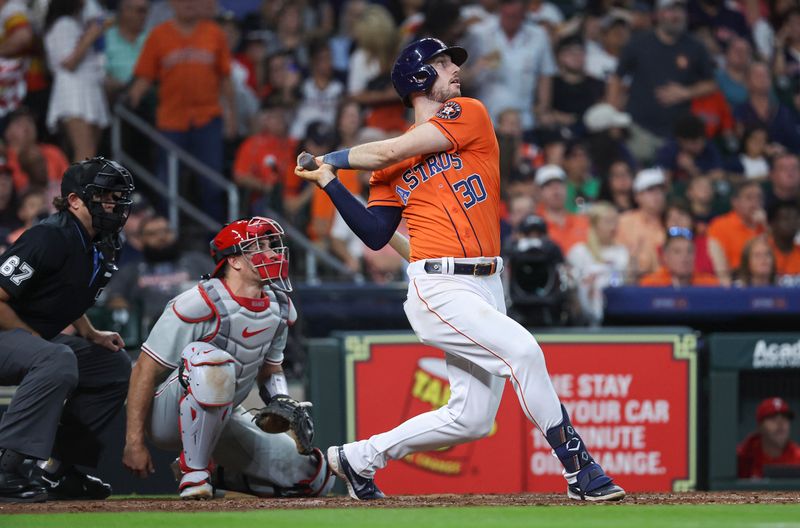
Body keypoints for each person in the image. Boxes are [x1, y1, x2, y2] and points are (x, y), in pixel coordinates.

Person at [295, 37, 625, 502]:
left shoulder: (468, 112)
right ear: (416, 78)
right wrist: (331, 185)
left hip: (489, 281)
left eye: (451, 62)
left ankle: (356, 458)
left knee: (470, 418)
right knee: (524, 352)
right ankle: (579, 468)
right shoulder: (386, 166)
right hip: (440, 283)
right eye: (441, 62)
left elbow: (392, 151)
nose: (453, 69)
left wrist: (329, 159)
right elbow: (373, 232)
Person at [122, 216, 334, 499]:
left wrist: (281, 399)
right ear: (234, 260)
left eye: (272, 245)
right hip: (166, 418)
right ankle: (194, 472)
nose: (272, 253)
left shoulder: (280, 305)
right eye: (260, 247)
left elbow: (271, 369)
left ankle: (221, 474)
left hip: (224, 414)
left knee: (315, 478)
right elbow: (143, 371)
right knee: (209, 360)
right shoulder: (197, 301)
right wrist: (133, 442)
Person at [0, 158, 135, 502]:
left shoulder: (102, 242)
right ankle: (8, 466)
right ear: (75, 200)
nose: (114, 203)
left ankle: (61, 470)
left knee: (113, 365)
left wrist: (90, 333)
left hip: (30, 340)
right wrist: (33, 342)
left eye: (118, 196)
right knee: (56, 358)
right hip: (10, 334)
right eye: (105, 195)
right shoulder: (48, 236)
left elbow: (68, 293)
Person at [105, 214, 212, 332]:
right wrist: (121, 305)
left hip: (198, 326)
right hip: (148, 332)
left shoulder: (198, 261)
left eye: (166, 231)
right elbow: (113, 297)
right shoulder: (130, 270)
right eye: (152, 234)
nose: (161, 237)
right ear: (140, 240)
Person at [43, 0, 111, 162]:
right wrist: (90, 35)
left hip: (88, 87)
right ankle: (78, 187)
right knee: (85, 151)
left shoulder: (75, 23)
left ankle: (84, 186)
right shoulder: (62, 24)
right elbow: (69, 63)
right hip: (73, 91)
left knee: (91, 152)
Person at [738, 397, 800, 479]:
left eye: (785, 417)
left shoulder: (797, 456)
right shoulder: (743, 456)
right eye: (772, 418)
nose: (780, 423)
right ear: (760, 427)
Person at [639, 226, 719, 287]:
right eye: (677, 252)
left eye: (689, 251)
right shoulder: (650, 285)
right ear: (665, 257)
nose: (685, 257)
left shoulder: (710, 285)